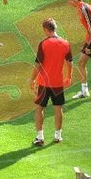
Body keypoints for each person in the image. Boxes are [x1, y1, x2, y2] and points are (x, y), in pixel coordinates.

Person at [29, 18, 73, 146]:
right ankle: (58, 136)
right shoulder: (65, 43)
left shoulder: (43, 44)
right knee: (58, 108)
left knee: (39, 109)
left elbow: (38, 64)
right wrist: (69, 77)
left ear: (46, 30)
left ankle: (40, 137)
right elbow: (69, 62)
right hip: (58, 83)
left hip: (43, 82)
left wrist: (32, 79)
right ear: (55, 28)